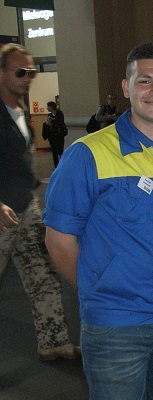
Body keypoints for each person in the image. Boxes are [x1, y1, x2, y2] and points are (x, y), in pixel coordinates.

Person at [42, 41, 153, 399]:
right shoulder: (86, 155)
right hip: (115, 324)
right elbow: (59, 241)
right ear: (126, 87)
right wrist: (99, 290)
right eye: (144, 80)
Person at [0, 43, 80, 361]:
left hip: (25, 208)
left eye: (31, 72)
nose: (27, 78)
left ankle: (53, 342)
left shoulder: (19, 112)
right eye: (21, 72)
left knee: (43, 275)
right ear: (2, 72)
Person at [44, 101, 66, 167]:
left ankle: (63, 165)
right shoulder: (49, 115)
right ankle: (56, 166)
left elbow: (60, 122)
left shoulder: (59, 113)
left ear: (51, 107)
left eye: (48, 106)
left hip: (59, 135)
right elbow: (48, 124)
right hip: (52, 136)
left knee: (60, 151)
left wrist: (53, 121)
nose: (47, 108)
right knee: (54, 152)